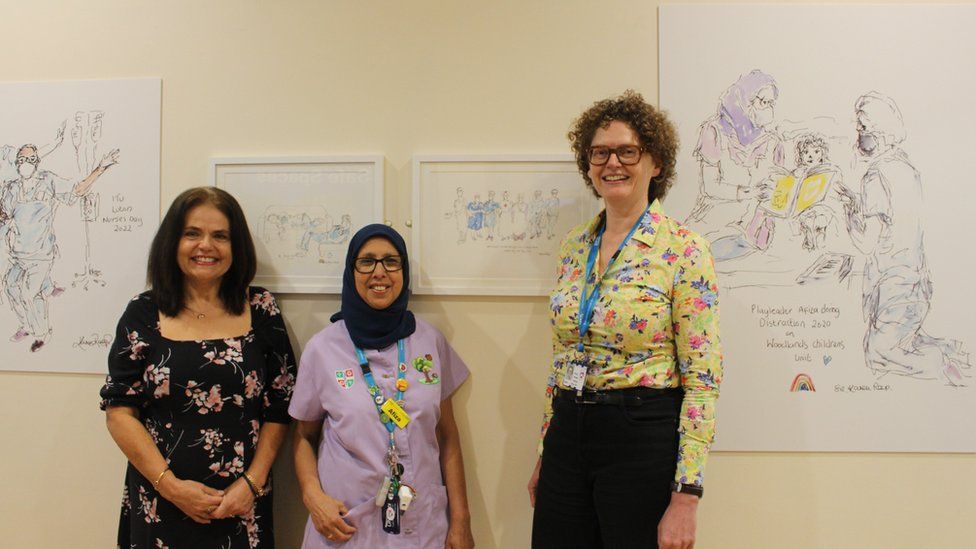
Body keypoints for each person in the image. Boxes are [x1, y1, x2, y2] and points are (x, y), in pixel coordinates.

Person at [528, 91, 723, 549]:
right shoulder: (575, 244)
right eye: (600, 152)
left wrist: (687, 495)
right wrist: (545, 450)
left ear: (655, 163)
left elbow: (703, 378)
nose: (612, 162)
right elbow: (561, 357)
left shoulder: (684, 249)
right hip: (568, 432)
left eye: (627, 151)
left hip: (640, 437)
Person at [99, 187, 297, 547]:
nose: (206, 245)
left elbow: (281, 406)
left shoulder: (262, 308)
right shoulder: (142, 312)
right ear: (172, 242)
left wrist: (252, 482)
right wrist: (172, 488)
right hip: (161, 501)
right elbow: (119, 412)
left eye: (220, 236)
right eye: (192, 233)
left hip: (242, 503)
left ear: (236, 247)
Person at [290, 224, 474, 548]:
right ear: (352, 270)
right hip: (344, 525)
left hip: (423, 523)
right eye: (367, 261)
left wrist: (460, 521)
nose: (380, 272)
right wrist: (312, 496)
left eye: (391, 261)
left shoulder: (430, 341)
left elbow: (448, 437)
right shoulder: (322, 349)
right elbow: (304, 437)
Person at [843, 92, 969, 385]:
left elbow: (867, 243)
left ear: (880, 132)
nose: (858, 136)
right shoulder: (905, 167)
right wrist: (857, 203)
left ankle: (942, 368)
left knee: (878, 354)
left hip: (893, 285)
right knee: (907, 340)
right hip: (916, 282)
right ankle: (953, 354)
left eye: (862, 128)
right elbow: (898, 220)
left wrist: (848, 212)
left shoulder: (874, 176)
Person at [4, 142, 117, 351]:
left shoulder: (47, 180)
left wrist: (101, 167)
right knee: (10, 287)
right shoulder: (11, 188)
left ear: (36, 162)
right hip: (18, 253)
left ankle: (42, 334)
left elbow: (77, 190)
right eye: (21, 160)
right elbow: (5, 214)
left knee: (30, 294)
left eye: (29, 160)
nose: (25, 164)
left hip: (41, 254)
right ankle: (27, 325)